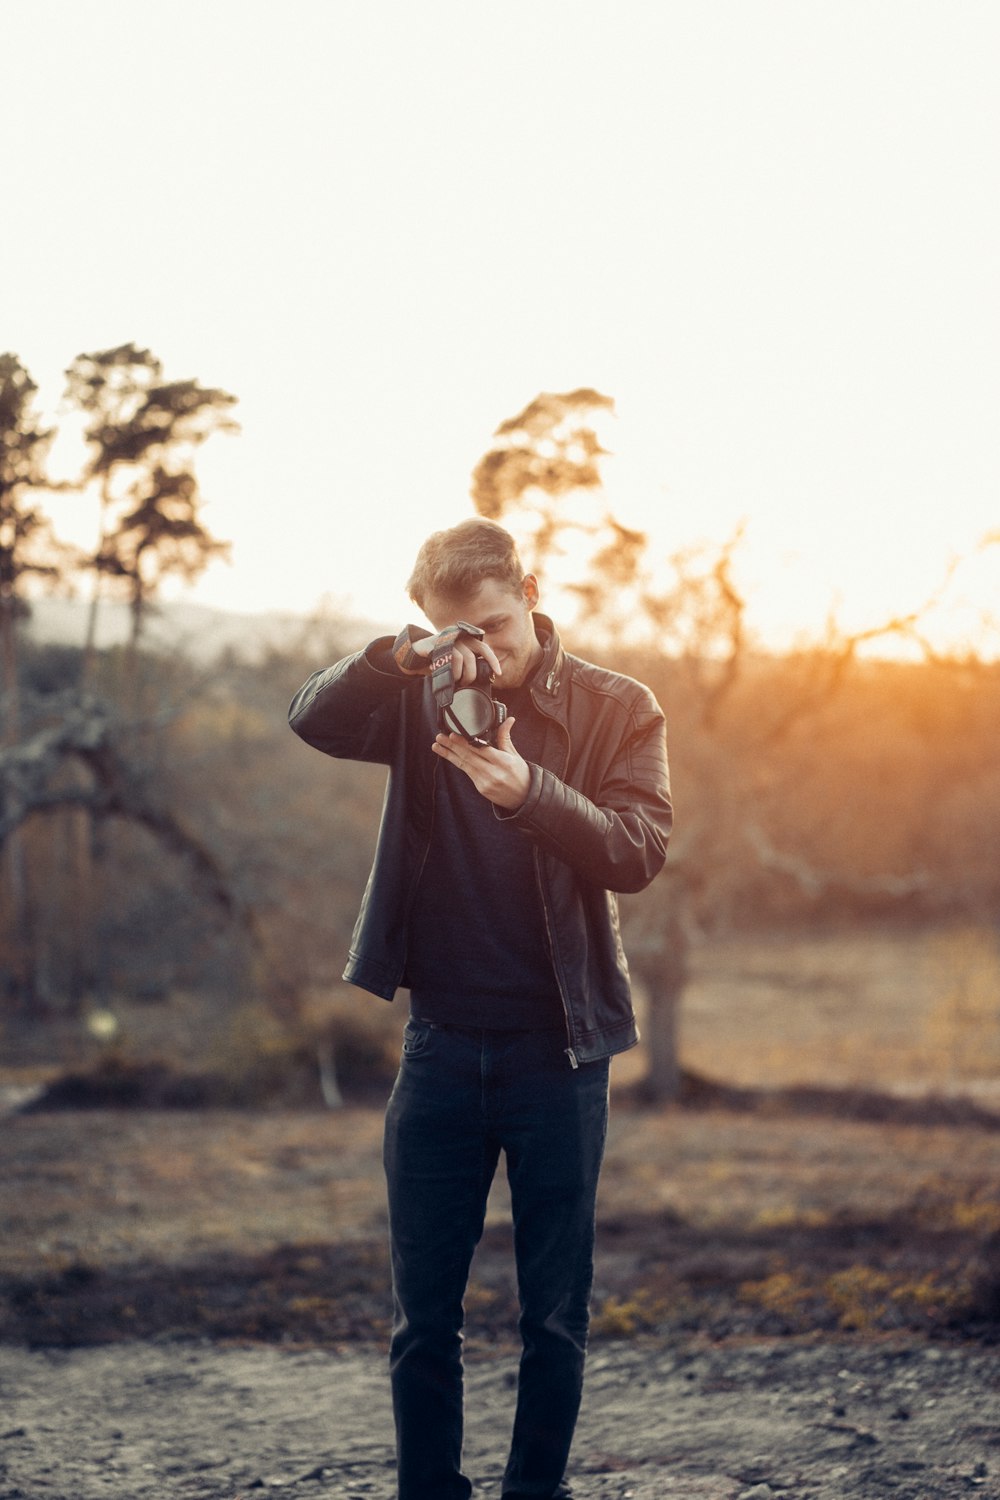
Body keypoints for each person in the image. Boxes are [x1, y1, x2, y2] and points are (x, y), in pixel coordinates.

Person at [288, 517, 672, 1500]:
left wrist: (529, 792)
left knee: (552, 1319)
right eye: (460, 634)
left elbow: (636, 852)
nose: (485, 655)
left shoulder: (616, 706)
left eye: (497, 628)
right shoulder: (419, 698)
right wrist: (399, 658)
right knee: (423, 1318)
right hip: (441, 1047)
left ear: (532, 590)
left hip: (562, 1052)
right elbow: (312, 719)